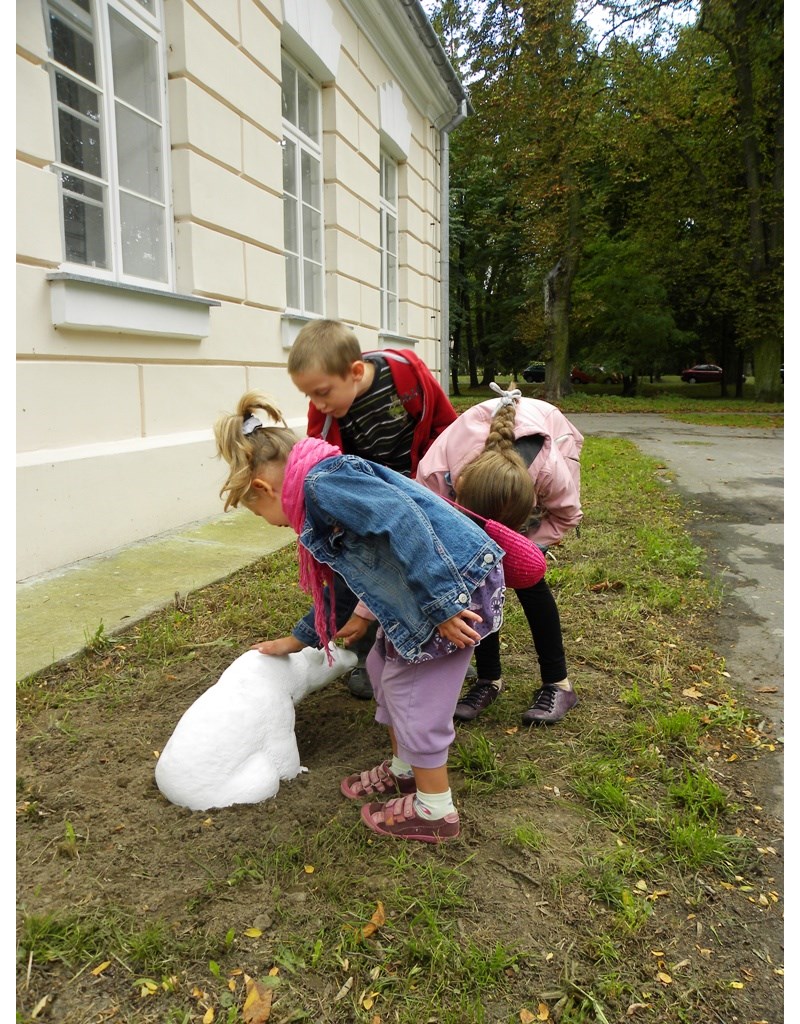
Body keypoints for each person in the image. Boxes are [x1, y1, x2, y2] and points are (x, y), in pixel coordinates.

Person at [213, 392, 506, 843]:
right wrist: (301, 638)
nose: (276, 524)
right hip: (417, 594)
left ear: (263, 489)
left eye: (263, 516)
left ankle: (435, 812)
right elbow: (352, 572)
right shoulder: (321, 480)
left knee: (415, 699)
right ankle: (406, 772)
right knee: (381, 672)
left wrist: (444, 602)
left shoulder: (323, 484)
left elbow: (404, 520)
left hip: (450, 591)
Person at [254, 319, 458, 701]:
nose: (318, 404)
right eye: (309, 396)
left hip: (419, 490)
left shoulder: (406, 375)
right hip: (365, 502)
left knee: (419, 566)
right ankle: (369, 650)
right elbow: (322, 465)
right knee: (361, 570)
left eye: (322, 392)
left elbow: (446, 428)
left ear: (356, 372)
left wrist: (434, 484)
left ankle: (439, 649)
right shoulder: (326, 413)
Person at [417, 382, 583, 726]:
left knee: (531, 585)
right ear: (457, 491)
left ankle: (559, 683)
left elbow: (568, 515)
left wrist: (528, 548)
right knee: (475, 587)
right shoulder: (435, 473)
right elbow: (419, 526)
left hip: (549, 436)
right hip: (471, 487)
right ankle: (488, 679)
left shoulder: (550, 470)